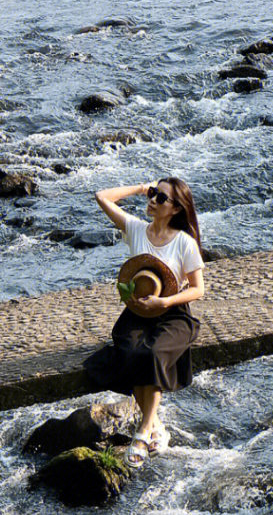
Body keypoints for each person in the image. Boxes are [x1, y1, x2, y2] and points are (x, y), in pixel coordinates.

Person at [84, 177, 206, 467]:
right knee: (130, 352)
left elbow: (198, 289)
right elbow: (102, 195)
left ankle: (142, 432)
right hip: (137, 313)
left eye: (161, 198)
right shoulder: (136, 230)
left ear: (176, 209)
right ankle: (155, 425)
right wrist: (139, 188)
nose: (153, 201)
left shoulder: (184, 243)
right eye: (153, 194)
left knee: (151, 353)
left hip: (173, 313)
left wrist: (164, 301)